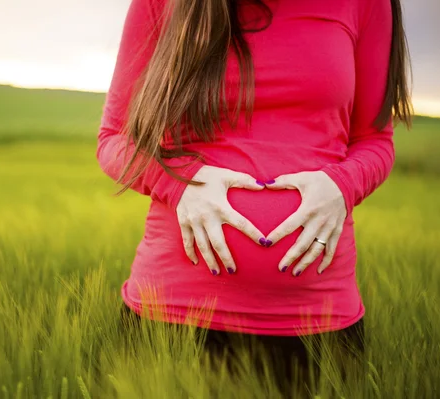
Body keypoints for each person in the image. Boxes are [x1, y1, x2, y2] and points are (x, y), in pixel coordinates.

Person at [96, 0, 412, 394]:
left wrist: (342, 184)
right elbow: (115, 139)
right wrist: (181, 183)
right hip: (171, 316)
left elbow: (375, 140)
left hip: (318, 322)